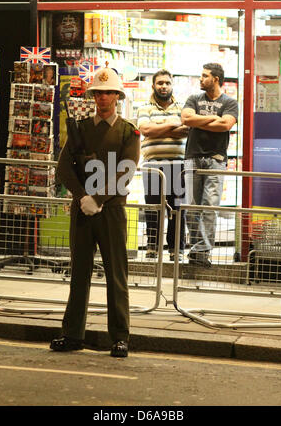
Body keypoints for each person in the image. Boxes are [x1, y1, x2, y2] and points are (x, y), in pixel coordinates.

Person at [50, 65, 141, 357]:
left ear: (117, 96)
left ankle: (120, 337)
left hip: (111, 210)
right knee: (79, 274)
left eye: (108, 93)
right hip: (82, 210)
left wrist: (98, 198)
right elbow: (64, 167)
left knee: (116, 274)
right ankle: (73, 333)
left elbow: (126, 171)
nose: (103, 98)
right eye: (98, 93)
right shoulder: (81, 129)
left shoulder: (129, 131)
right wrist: (82, 197)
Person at [181, 63, 238, 268]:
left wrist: (200, 120)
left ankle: (201, 252)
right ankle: (199, 250)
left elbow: (226, 125)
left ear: (215, 78)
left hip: (216, 159)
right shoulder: (194, 98)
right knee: (192, 207)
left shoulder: (230, 102)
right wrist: (214, 117)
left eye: (204, 76)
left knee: (209, 207)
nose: (201, 79)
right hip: (192, 157)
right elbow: (186, 119)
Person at [137, 69, 189, 261]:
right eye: (160, 83)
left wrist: (159, 129)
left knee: (177, 208)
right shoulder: (144, 108)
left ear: (172, 85)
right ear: (153, 85)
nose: (164, 86)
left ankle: (177, 250)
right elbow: (146, 129)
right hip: (152, 166)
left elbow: (186, 131)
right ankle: (153, 247)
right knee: (152, 208)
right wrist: (173, 124)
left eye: (167, 83)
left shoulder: (183, 107)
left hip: (178, 165)